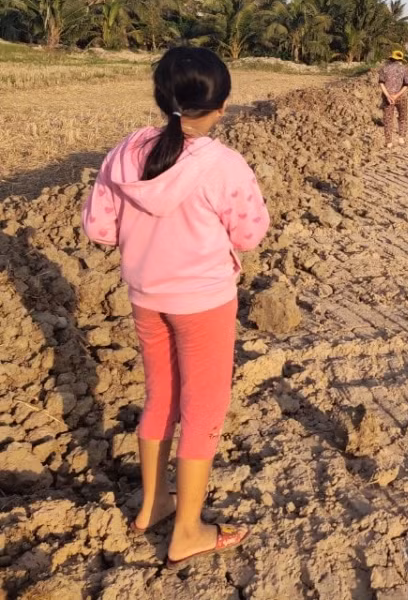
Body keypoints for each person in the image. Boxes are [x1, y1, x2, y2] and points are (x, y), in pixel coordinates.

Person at [81, 46, 269, 567]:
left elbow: (99, 229)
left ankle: (154, 505)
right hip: (204, 302)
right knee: (203, 409)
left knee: (160, 396)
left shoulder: (125, 152)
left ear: (161, 95)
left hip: (146, 296)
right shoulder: (222, 164)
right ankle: (187, 529)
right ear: (221, 106)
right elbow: (250, 234)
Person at [378, 48, 408, 147]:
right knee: (402, 117)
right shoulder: (404, 69)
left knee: (388, 119)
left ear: (391, 58)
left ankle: (389, 143)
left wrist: (388, 95)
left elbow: (381, 83)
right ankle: (401, 139)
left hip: (387, 97)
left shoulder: (384, 68)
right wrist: (396, 95)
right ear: (400, 60)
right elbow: (406, 84)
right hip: (401, 97)